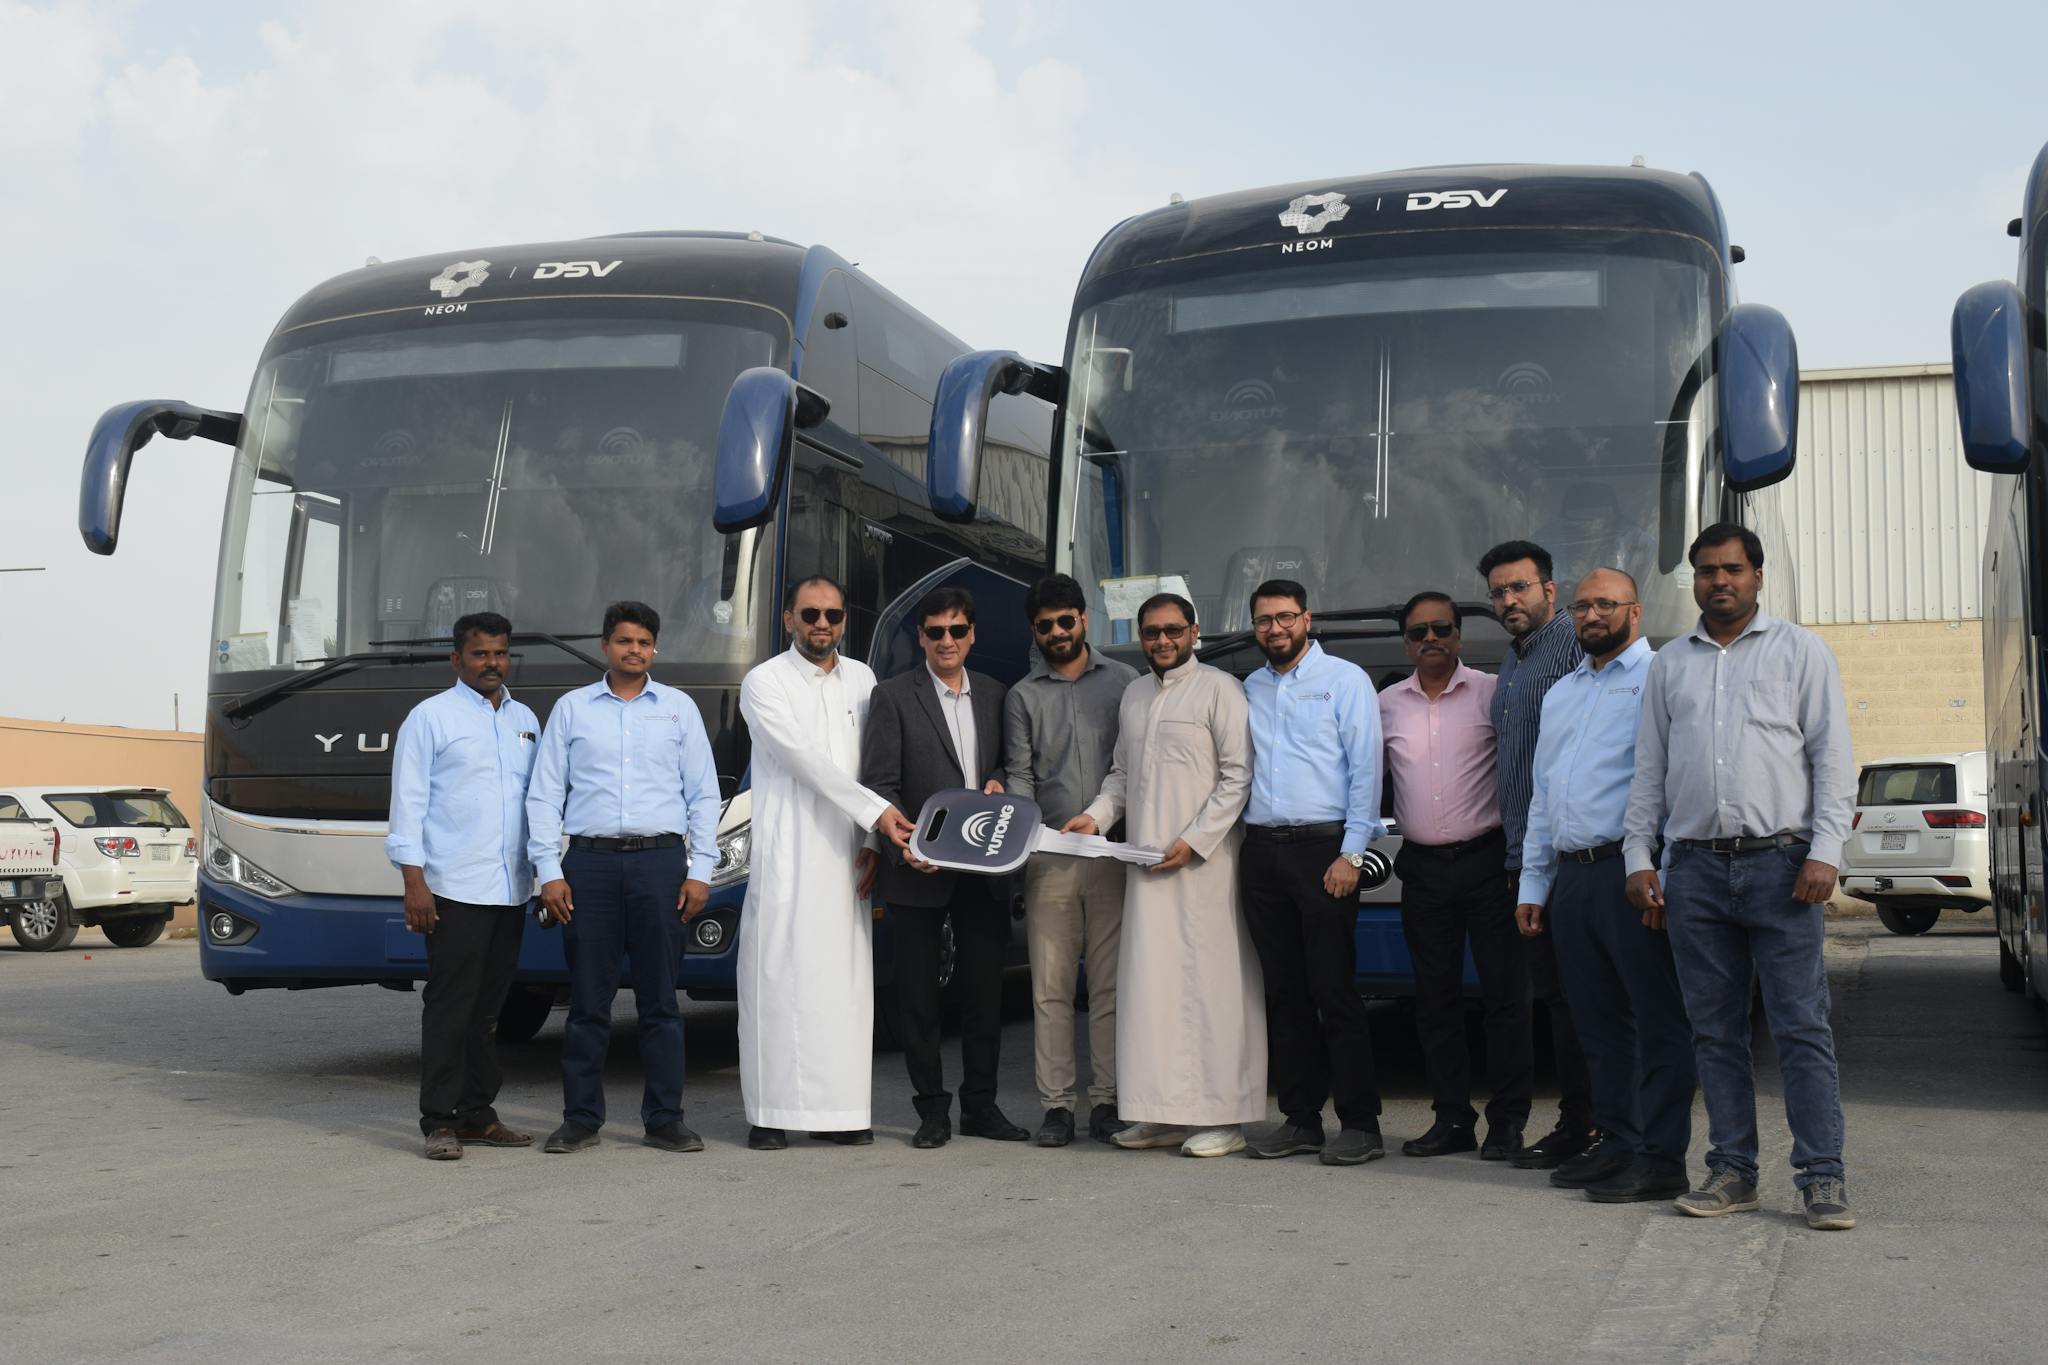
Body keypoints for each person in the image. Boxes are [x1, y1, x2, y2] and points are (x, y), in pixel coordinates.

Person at [1624, 523, 1857, 1231]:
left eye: (1731, 569)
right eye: (1705, 571)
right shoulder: (1671, 665)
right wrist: (1640, 856)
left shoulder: (1800, 651)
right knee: (1714, 1032)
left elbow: (1833, 758)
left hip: (1783, 867)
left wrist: (1825, 850)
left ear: (1758, 576)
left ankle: (1822, 1177)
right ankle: (1732, 1170)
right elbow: (1649, 771)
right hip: (1693, 870)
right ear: (1691, 580)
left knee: (1800, 1027)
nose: (1718, 580)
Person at [1515, 570, 1696, 1202]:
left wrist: (1662, 876)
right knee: (1598, 1025)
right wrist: (1533, 886)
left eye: (1606, 604)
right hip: (1574, 878)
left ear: (1636, 612)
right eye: (1583, 605)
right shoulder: (1562, 693)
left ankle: (1662, 1158)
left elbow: (1675, 783)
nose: (1593, 615)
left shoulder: (1661, 678)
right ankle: (1618, 1143)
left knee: (1656, 1024)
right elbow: (1545, 794)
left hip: (1632, 875)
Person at [1063, 593, 1264, 1158]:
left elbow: (1237, 777)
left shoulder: (1221, 690)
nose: (1162, 641)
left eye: (1173, 630)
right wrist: (1097, 818)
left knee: (1212, 992)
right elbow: (1121, 776)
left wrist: (1194, 841)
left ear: (1194, 631)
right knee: (1151, 990)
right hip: (1146, 867)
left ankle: (1222, 1116)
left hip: (1206, 869)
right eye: (1152, 632)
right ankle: (1162, 1114)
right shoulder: (1134, 695)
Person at [525, 601, 722, 1156]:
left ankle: (665, 1119)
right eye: (623, 641)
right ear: (604, 646)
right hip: (588, 866)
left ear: (655, 648)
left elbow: (703, 794)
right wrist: (548, 871)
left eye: (643, 642)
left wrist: (700, 870)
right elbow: (544, 794)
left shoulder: (678, 709)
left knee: (661, 1002)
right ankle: (580, 1118)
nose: (633, 650)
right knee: (589, 1001)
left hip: (661, 865)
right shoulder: (571, 709)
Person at [737, 575, 919, 1151]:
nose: (822, 626)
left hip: (849, 855)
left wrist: (871, 842)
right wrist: (879, 816)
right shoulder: (763, 681)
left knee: (843, 987)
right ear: (788, 618)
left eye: (833, 616)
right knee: (776, 981)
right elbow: (802, 759)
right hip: (788, 851)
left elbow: (875, 763)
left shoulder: (863, 679)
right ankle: (768, 1114)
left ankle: (840, 1112)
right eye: (810, 614)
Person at [861, 587, 1029, 1149]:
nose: (947, 641)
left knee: (984, 995)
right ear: (921, 638)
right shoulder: (891, 696)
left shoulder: (997, 694)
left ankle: (981, 1107)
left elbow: (1007, 762)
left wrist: (1002, 782)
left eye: (957, 630)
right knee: (918, 998)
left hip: (984, 867)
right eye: (936, 632)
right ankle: (931, 1110)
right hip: (917, 867)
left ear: (972, 634)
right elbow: (880, 784)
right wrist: (903, 844)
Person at [1236, 580, 1388, 1167]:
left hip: (1324, 851)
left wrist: (1352, 855)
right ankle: (1301, 1120)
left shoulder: (1345, 680)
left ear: (1307, 618)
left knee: (1335, 991)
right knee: (1284, 993)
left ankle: (1361, 1124)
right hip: (1262, 851)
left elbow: (1365, 771)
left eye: (1285, 618)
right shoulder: (1248, 687)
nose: (1274, 629)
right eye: (1264, 621)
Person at [1378, 591, 1531, 1159]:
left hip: (1489, 863)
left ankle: (1509, 1122)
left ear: (1460, 636)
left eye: (1441, 629)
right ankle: (1451, 1120)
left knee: (1505, 998)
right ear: (1407, 643)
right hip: (1422, 868)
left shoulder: (1494, 694)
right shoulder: (1386, 704)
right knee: (1434, 1000)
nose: (1430, 640)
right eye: (1418, 633)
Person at [386, 612, 541, 1161]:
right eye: (480, 654)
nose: (492, 663)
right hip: (452, 886)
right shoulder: (430, 719)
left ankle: (479, 1113)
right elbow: (409, 803)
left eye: (500, 653)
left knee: (490, 1010)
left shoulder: (524, 720)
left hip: (511, 888)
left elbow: (537, 804)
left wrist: (544, 875)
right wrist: (414, 881)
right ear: (457, 660)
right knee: (451, 1006)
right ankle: (440, 1120)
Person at [1003, 574, 1139, 1147]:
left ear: (1085, 619)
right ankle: (1057, 1105)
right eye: (1045, 625)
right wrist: (1031, 845)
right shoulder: (1022, 695)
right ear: (1034, 631)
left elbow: (1135, 768)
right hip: (1049, 860)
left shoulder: (1128, 684)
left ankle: (1108, 1102)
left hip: (1114, 854)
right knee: (1051, 989)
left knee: (1110, 987)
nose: (1057, 632)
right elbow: (1020, 777)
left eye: (1066, 620)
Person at [1480, 539, 1597, 1170]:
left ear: (1550, 591)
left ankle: (1594, 1125)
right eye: (1499, 591)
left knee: (1584, 998)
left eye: (1519, 587)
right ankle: (1581, 1122)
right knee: (1556, 997)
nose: (1508, 600)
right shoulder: (1514, 658)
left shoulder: (1575, 647)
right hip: (1524, 856)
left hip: (1572, 854)